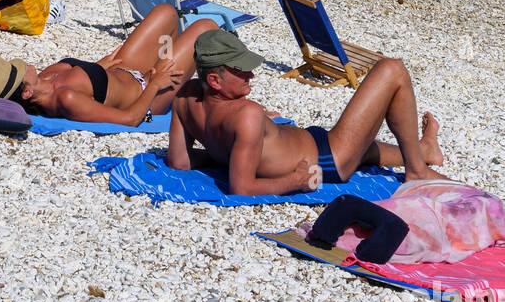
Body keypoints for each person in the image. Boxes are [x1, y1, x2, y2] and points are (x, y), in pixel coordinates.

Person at [168, 28, 448, 195]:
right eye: (240, 71)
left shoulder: (184, 98)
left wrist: (233, 155)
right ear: (214, 81)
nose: (251, 75)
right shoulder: (246, 115)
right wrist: (294, 180)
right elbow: (241, 188)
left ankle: (424, 150)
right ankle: (417, 170)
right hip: (328, 160)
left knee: (365, 147)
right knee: (392, 69)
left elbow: (180, 162)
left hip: (316, 143)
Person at [0, 4, 219, 126]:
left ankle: (175, 61)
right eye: (17, 70)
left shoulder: (45, 77)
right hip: (147, 98)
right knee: (204, 28)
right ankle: (192, 86)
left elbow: (91, 84)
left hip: (127, 69)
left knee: (167, 13)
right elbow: (129, 120)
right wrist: (155, 84)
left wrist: (98, 67)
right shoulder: (66, 100)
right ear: (27, 92)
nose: (22, 63)